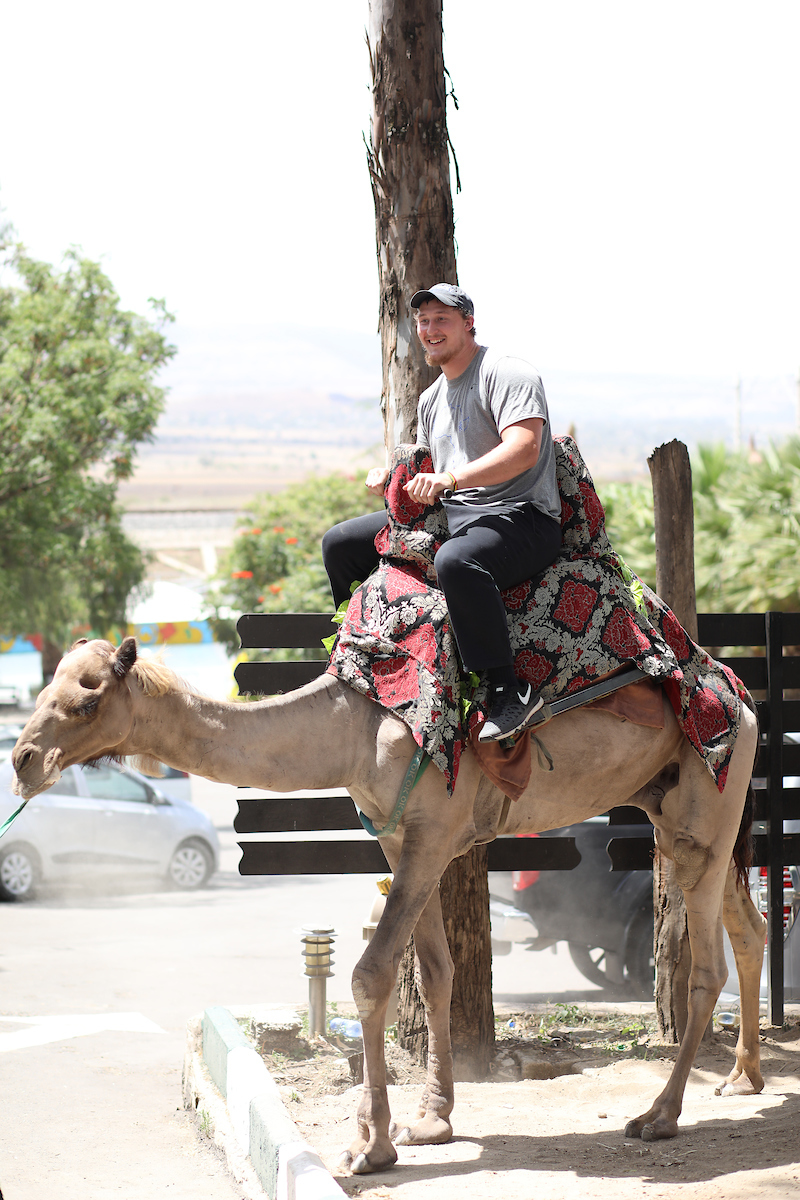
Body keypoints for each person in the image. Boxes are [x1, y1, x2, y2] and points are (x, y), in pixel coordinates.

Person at [322, 283, 562, 741]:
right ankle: (362, 661)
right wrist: (390, 480)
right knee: (342, 544)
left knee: (456, 560)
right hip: (455, 515)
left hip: (523, 517)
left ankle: (508, 694)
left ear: (469, 323)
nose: (430, 330)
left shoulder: (506, 373)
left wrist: (451, 481)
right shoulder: (431, 398)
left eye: (442, 320)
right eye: (423, 321)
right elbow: (429, 475)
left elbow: (525, 449)